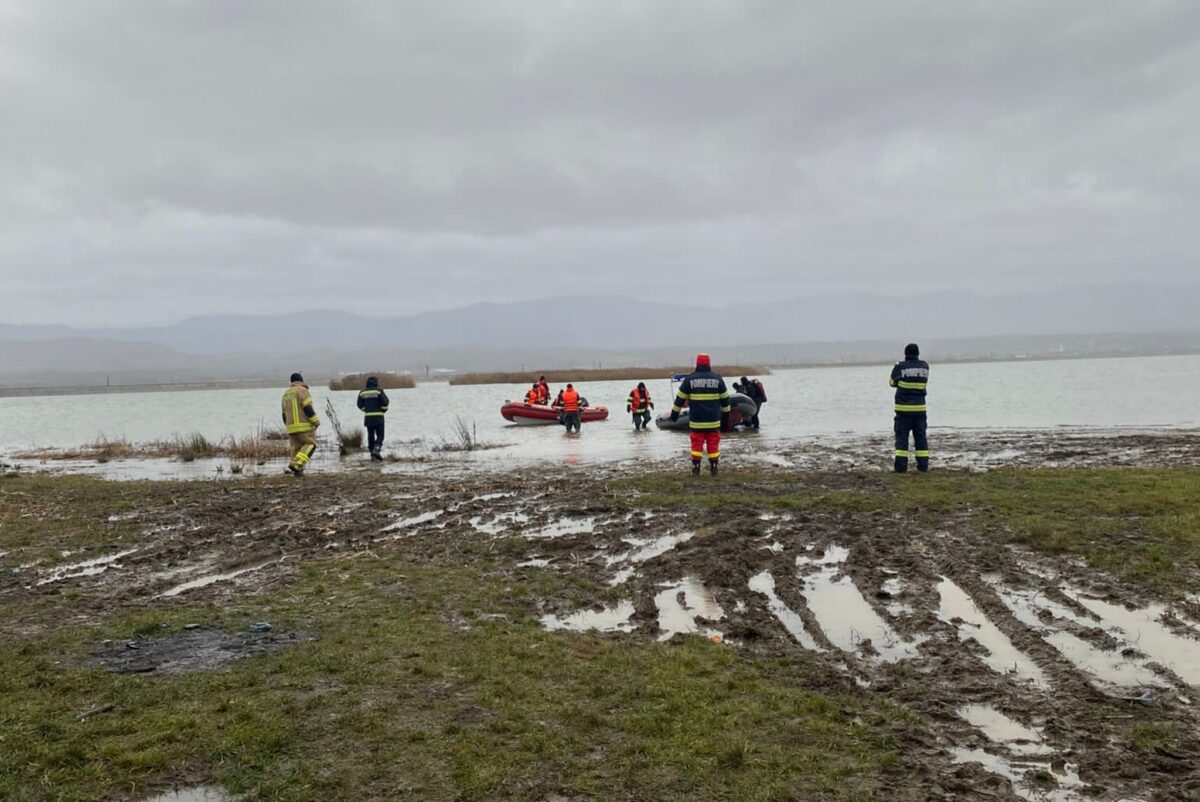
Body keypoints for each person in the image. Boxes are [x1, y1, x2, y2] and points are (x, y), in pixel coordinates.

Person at [670, 354, 731, 476]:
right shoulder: (718, 379)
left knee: (696, 444)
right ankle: (714, 468)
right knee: (713, 444)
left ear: (697, 364)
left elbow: (679, 399)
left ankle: (696, 469)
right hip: (713, 421)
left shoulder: (689, 380)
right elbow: (725, 400)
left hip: (696, 421)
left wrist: (674, 415)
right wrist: (726, 417)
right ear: (709, 364)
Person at [889, 343, 930, 473]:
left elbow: (891, 383)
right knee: (921, 438)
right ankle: (923, 466)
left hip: (903, 410)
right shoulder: (925, 366)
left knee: (902, 438)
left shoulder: (900, 366)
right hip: (920, 409)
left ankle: (901, 468)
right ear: (918, 353)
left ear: (905, 353)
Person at [282, 372, 320, 476]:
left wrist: (287, 425)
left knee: (296, 448)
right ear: (301, 381)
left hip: (290, 427)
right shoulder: (303, 391)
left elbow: (283, 413)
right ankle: (297, 464)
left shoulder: (286, 394)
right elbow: (307, 408)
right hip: (303, 426)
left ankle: (296, 468)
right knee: (311, 445)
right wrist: (316, 422)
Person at [356, 376, 390, 461]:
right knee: (380, 435)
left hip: (368, 417)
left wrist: (366, 410)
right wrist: (383, 410)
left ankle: (372, 454)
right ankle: (376, 449)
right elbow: (386, 402)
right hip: (379, 417)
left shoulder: (362, 392)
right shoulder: (379, 391)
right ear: (376, 382)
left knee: (370, 436)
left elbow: (359, 404)